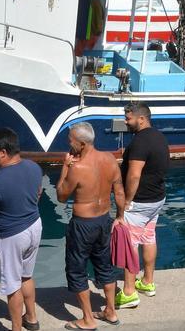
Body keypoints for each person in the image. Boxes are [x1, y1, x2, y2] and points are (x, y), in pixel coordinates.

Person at [0, 128, 45, 331]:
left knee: (12, 286)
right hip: (33, 226)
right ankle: (31, 318)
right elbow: (38, 194)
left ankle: (16, 328)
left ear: (3, 152)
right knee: (26, 276)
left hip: (9, 237)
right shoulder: (33, 167)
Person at [56, 122, 125, 331]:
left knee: (76, 270)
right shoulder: (110, 159)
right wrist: (120, 216)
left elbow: (61, 196)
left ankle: (87, 319)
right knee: (105, 266)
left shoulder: (77, 168)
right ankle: (110, 311)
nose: (69, 144)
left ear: (82, 144)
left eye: (71, 141)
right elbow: (119, 191)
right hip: (104, 220)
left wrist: (65, 167)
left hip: (83, 225)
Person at [114, 103, 169, 309]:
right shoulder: (159, 137)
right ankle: (147, 282)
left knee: (130, 244)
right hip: (156, 198)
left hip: (139, 202)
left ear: (142, 119)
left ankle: (129, 293)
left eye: (128, 118)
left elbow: (134, 175)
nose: (126, 122)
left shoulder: (139, 142)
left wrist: (127, 200)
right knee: (148, 237)